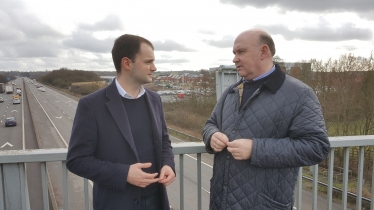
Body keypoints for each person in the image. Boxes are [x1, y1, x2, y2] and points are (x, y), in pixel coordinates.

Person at [202, 29, 330, 210]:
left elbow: (316, 147)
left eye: (241, 52)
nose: (234, 59)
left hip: (264, 204)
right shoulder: (231, 91)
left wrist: (256, 149)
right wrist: (212, 135)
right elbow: (210, 124)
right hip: (220, 202)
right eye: (234, 53)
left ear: (264, 51)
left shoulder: (300, 94)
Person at [67, 34, 176, 210]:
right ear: (127, 63)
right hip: (117, 203)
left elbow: (164, 141)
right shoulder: (92, 105)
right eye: (148, 62)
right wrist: (124, 174)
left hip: (157, 201)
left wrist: (168, 165)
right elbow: (77, 160)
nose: (154, 68)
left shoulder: (155, 99)